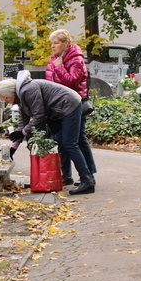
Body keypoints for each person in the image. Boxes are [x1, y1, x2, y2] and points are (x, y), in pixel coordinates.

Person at [0, 70, 96, 195]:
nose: (6, 101)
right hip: (58, 110)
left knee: (70, 143)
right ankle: (66, 177)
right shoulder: (20, 97)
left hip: (69, 105)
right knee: (62, 143)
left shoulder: (28, 90)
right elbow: (23, 123)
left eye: (5, 98)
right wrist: (12, 149)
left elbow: (39, 116)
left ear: (11, 93)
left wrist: (23, 132)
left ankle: (87, 181)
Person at [44, 29, 97, 186]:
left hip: (75, 103)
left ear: (66, 43)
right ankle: (65, 174)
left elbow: (72, 82)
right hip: (58, 104)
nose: (53, 46)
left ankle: (89, 174)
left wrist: (59, 67)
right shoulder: (53, 58)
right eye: (51, 43)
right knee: (61, 139)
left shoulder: (76, 59)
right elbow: (50, 82)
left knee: (78, 139)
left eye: (56, 43)